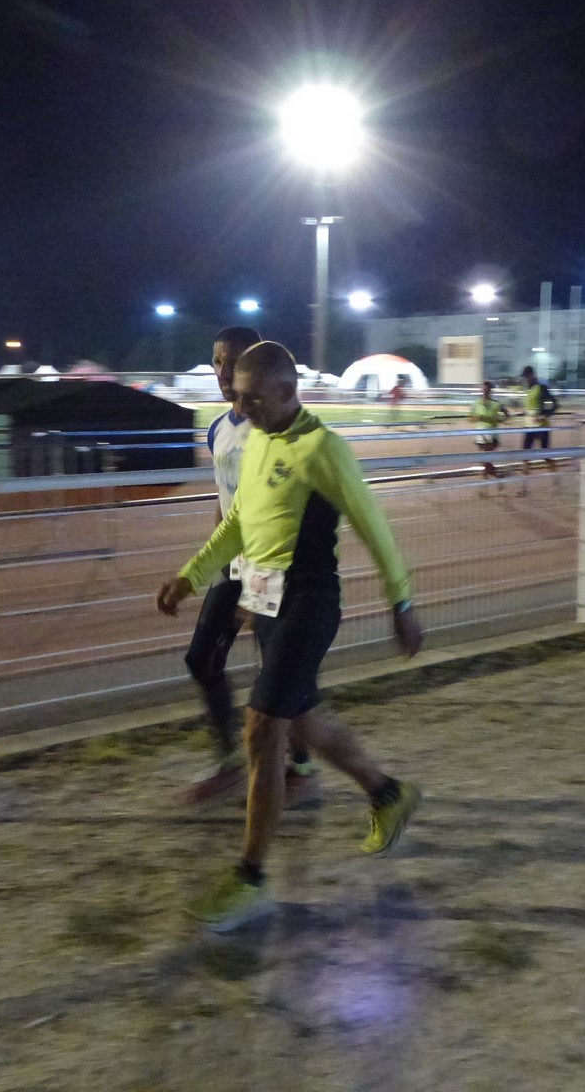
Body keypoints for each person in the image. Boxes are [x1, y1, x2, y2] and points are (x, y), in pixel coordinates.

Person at [157, 341, 425, 932]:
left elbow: (373, 524)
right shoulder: (257, 439)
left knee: (262, 730)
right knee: (302, 722)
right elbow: (238, 522)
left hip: (310, 602)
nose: (241, 407)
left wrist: (401, 601)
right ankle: (387, 793)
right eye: (238, 396)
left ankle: (249, 878)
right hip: (268, 603)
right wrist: (192, 575)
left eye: (253, 398)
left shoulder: (322, 449)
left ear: (288, 391)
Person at [179, 326, 318, 807]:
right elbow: (225, 501)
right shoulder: (217, 429)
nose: (222, 372)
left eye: (233, 362)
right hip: (234, 567)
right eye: (217, 361)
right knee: (202, 658)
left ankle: (301, 766)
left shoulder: (280, 427)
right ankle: (231, 762)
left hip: (276, 566)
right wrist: (212, 561)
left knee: (277, 670)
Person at [518, 365, 560, 483]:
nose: (525, 379)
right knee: (525, 456)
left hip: (542, 427)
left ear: (532, 375)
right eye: (524, 377)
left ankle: (556, 478)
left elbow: (555, 404)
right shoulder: (528, 390)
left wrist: (544, 415)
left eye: (527, 376)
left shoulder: (541, 388)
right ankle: (524, 485)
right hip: (528, 427)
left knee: (545, 455)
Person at [468, 379, 509, 478]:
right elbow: (470, 418)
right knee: (483, 455)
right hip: (480, 432)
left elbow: (507, 415)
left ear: (490, 391)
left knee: (486, 454)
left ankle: (489, 472)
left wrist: (499, 420)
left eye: (486, 390)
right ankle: (490, 472)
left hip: (492, 433)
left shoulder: (496, 404)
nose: (484, 392)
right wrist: (477, 418)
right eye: (483, 390)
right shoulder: (476, 403)